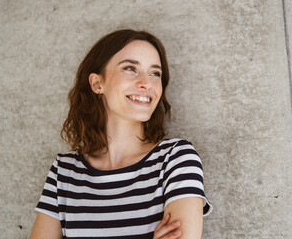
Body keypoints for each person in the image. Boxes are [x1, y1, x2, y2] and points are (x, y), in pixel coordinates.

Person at [30, 29, 212, 239]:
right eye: (130, 68)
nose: (147, 83)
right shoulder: (64, 172)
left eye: (155, 73)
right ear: (98, 84)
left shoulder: (176, 160)